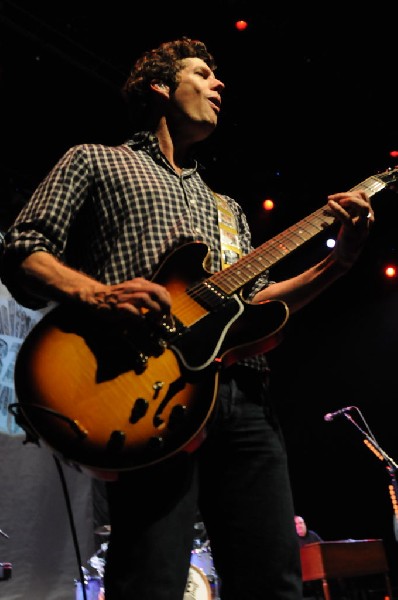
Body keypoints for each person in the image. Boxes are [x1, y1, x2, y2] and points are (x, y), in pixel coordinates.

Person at [0, 36, 374, 600]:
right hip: (145, 393)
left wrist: (338, 265)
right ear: (159, 85)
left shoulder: (229, 209)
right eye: (203, 73)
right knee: (149, 577)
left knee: (273, 581)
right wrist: (99, 295)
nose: (219, 84)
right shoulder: (95, 160)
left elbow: (258, 305)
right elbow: (22, 247)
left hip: (243, 397)